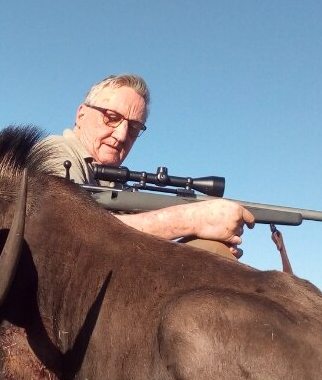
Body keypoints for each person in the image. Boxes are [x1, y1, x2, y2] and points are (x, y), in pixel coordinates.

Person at [34, 74, 255, 258]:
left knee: (212, 251)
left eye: (134, 128)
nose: (121, 135)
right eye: (111, 117)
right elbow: (65, 228)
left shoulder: (112, 181)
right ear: (81, 114)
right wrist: (191, 220)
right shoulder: (56, 151)